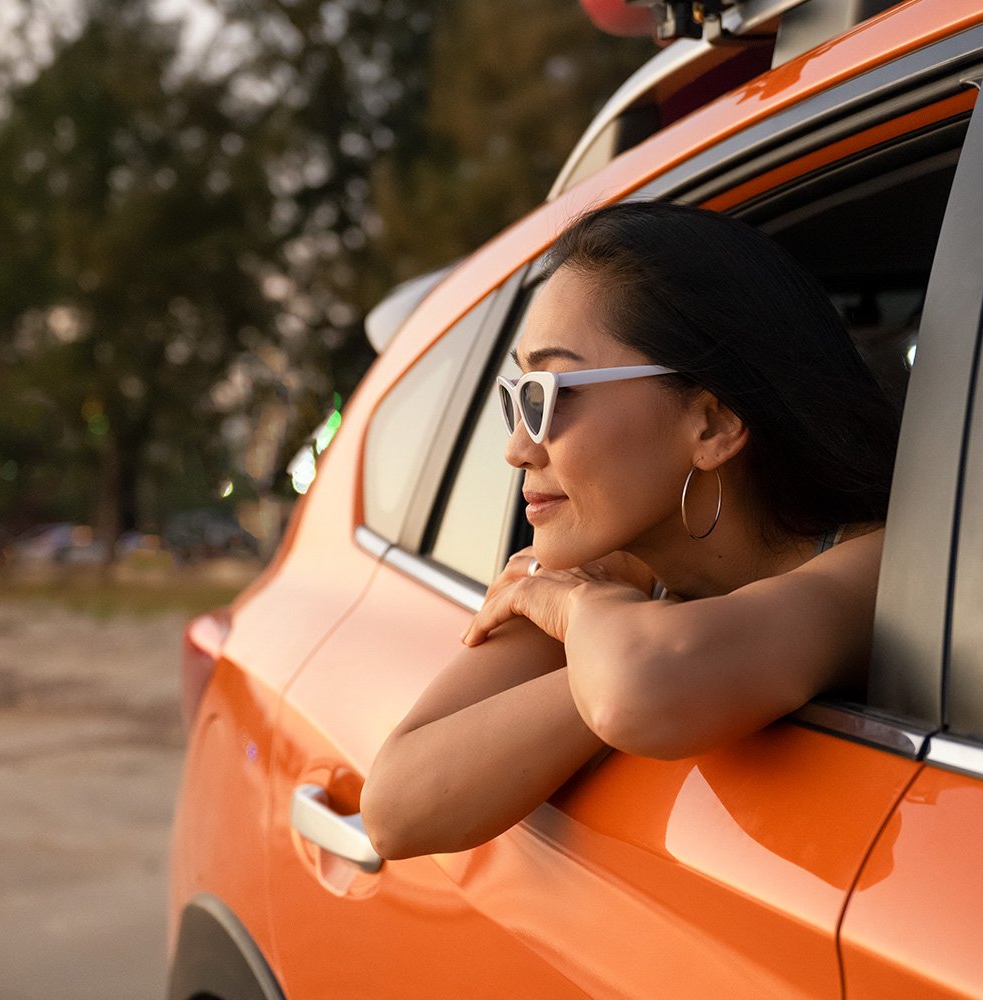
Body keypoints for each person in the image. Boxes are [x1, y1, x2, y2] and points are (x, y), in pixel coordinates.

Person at [360, 201, 900, 861]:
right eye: (519, 396)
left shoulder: (874, 570)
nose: (517, 448)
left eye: (553, 396)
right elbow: (394, 808)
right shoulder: (613, 564)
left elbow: (636, 687)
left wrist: (580, 611)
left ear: (712, 424)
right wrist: (610, 634)